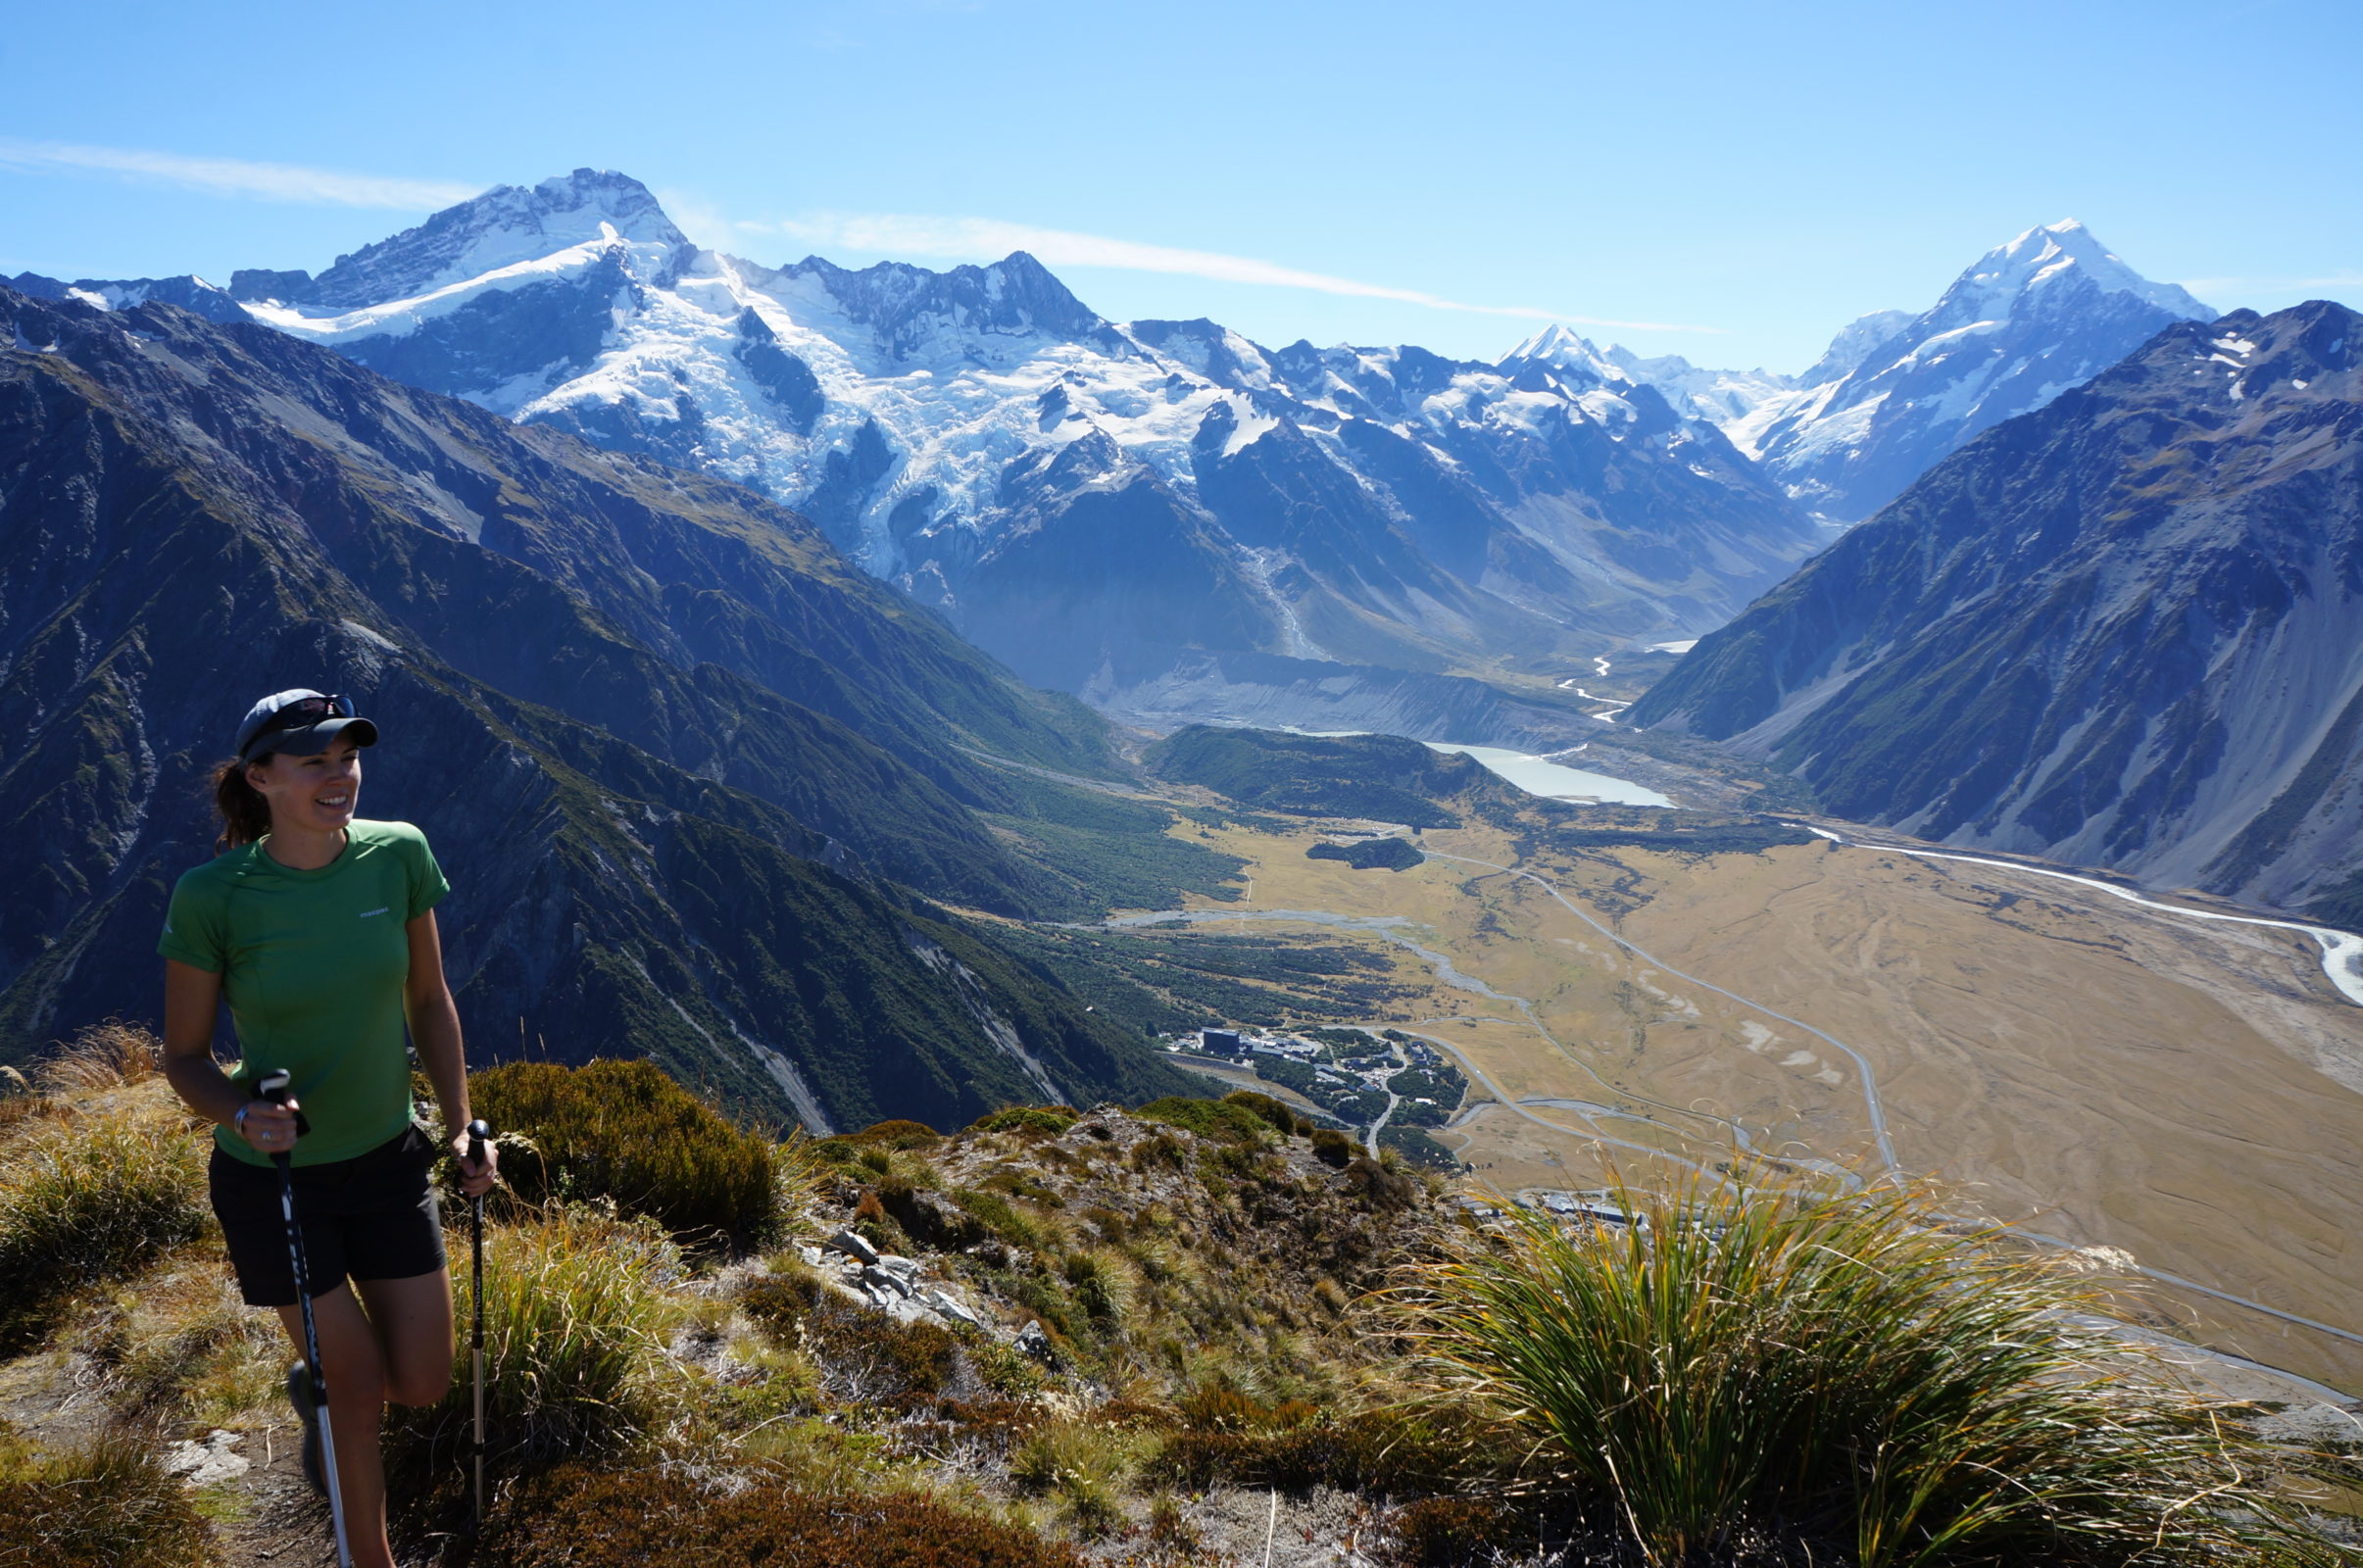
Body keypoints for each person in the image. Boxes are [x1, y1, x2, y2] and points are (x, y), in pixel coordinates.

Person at [159, 689, 495, 1568]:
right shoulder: (213, 897)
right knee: (358, 1385)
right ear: (260, 779)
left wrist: (460, 1128)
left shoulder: (398, 855)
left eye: (346, 758)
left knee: (418, 1383)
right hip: (275, 1177)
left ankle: (317, 1396)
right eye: (313, 761)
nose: (338, 776)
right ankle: (366, 1555)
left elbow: (429, 998)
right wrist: (240, 1112)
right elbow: (183, 1057)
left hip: (388, 1158)